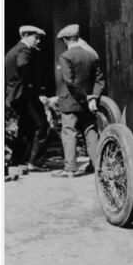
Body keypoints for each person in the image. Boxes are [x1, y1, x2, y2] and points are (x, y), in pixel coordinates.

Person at [51, 24, 105, 178]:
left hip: (71, 102)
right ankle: (97, 165)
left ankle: (70, 169)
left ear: (65, 40)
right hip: (88, 103)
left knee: (69, 132)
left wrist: (83, 98)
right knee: (90, 132)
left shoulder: (66, 56)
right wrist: (92, 97)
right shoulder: (92, 55)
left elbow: (69, 81)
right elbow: (99, 80)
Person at [5, 25, 50, 171]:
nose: (38, 41)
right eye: (36, 38)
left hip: (14, 95)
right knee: (41, 125)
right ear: (26, 36)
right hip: (25, 95)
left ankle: (18, 160)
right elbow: (23, 64)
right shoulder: (24, 50)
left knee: (26, 127)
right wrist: (31, 87)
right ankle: (35, 162)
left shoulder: (12, 51)